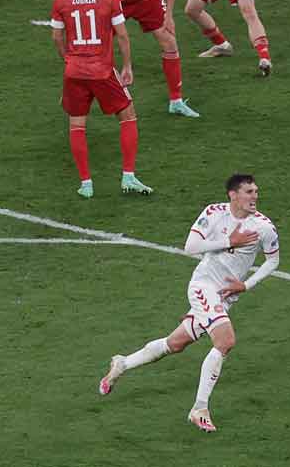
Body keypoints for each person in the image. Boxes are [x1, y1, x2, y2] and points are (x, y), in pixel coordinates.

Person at [98, 173, 280, 433]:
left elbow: (273, 260)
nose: (255, 196)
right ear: (233, 195)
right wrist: (230, 241)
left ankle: (123, 363)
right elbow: (191, 246)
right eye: (249, 192)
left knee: (175, 344)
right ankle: (200, 408)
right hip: (203, 286)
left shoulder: (263, 227)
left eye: (256, 191)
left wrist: (247, 284)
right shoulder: (214, 213)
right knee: (225, 341)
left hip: (226, 296)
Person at [50, 0, 152, 198]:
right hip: (102, 70)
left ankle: (86, 184)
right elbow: (123, 35)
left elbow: (56, 36)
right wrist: (127, 66)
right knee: (128, 116)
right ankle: (128, 176)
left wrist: (67, 57)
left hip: (74, 71)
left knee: (77, 125)